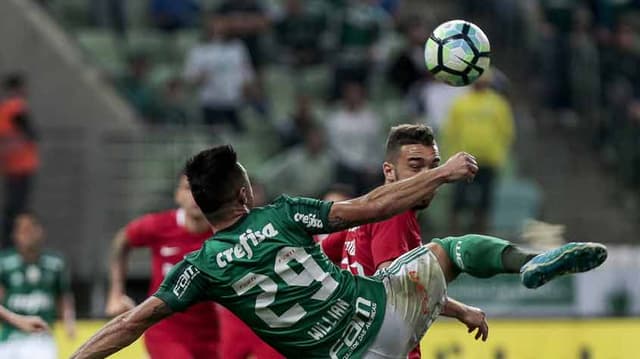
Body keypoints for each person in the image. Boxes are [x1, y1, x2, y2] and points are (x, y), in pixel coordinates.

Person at [71, 144, 607, 359]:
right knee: (454, 249)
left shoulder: (200, 268)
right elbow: (373, 205)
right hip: (387, 315)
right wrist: (439, 174)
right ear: (244, 194)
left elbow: (129, 325)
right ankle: (525, 261)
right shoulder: (283, 214)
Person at [104, 175, 220, 358]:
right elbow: (121, 242)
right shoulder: (159, 225)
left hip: (213, 334)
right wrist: (115, 293)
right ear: (178, 195)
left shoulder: (225, 234)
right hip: (165, 331)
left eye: (204, 189)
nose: (196, 196)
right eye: (188, 189)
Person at [442, 70, 515, 234]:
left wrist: (499, 152)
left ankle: (480, 236)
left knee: (484, 203)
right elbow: (451, 131)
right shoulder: (460, 103)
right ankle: (453, 236)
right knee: (458, 201)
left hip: (489, 160)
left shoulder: (498, 104)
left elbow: (507, 131)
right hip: (463, 161)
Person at [0, 213, 75, 359]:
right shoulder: (4, 262)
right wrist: (15, 319)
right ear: (14, 235)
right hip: (10, 337)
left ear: (40, 231)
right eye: (22, 230)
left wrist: (69, 322)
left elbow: (63, 295)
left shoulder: (56, 262)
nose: (26, 235)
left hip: (41, 336)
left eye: (30, 229)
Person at [184, 15, 255, 133]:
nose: (218, 28)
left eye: (221, 24)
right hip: (210, 101)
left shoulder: (237, 47)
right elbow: (190, 76)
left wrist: (247, 89)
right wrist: (199, 78)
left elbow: (247, 73)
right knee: (212, 141)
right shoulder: (200, 49)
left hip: (233, 100)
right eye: (214, 24)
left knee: (238, 138)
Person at [0, 74, 39, 247]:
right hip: (22, 166)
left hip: (10, 166)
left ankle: (8, 243)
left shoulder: (3, 110)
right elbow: (33, 133)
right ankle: (12, 244)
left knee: (12, 209)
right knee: (18, 210)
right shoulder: (16, 108)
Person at [326, 81, 382, 194]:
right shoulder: (336, 119)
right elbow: (335, 148)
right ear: (345, 96)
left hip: (368, 167)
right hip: (345, 166)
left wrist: (374, 166)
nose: (353, 96)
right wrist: (357, 166)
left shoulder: (370, 118)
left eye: (356, 93)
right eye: (350, 93)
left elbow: (376, 145)